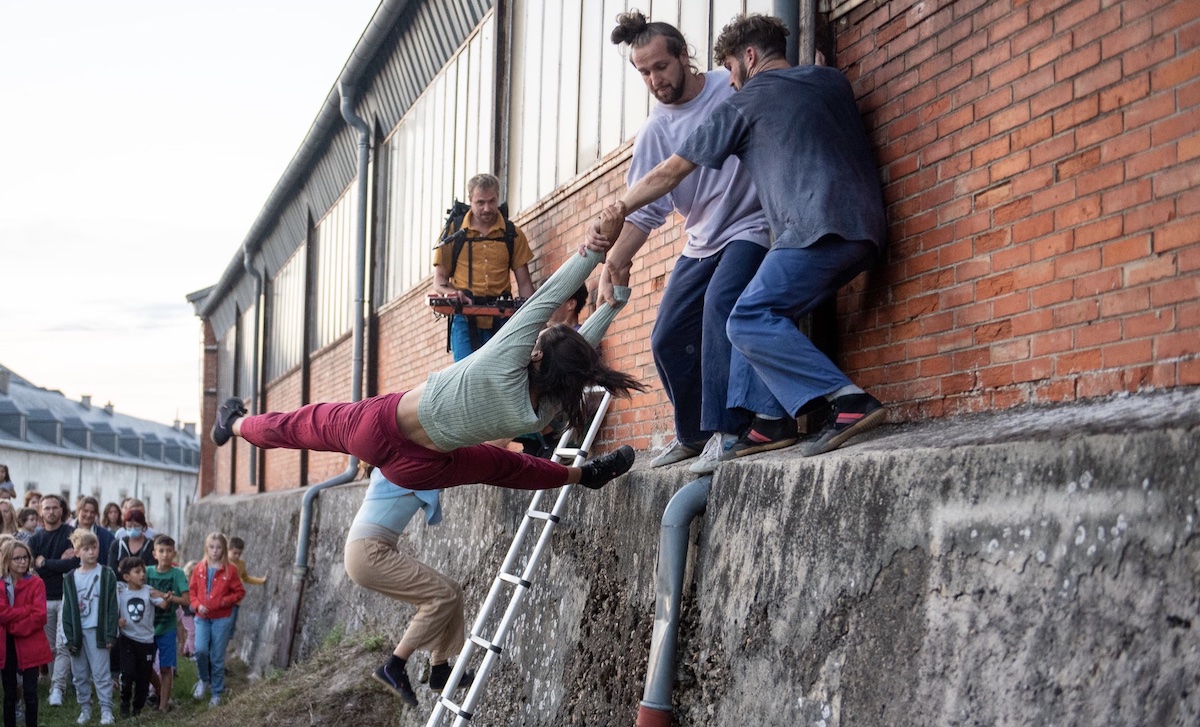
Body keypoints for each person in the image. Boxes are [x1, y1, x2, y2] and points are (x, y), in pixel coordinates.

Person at [591, 13, 888, 460]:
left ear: (748, 57)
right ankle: (765, 421)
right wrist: (617, 258)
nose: (730, 81)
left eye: (732, 69)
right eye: (643, 72)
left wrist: (616, 209)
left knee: (742, 315)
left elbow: (671, 172)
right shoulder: (830, 80)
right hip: (862, 228)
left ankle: (842, 403)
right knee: (717, 320)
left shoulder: (742, 101)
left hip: (799, 231)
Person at [211, 242, 641, 494]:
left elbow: (546, 298)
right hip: (419, 470)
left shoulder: (504, 363)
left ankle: (232, 425)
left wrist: (593, 249)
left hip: (377, 429)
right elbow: (576, 358)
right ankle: (584, 475)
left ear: (536, 355)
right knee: (504, 466)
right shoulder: (540, 410)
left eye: (541, 338)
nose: (538, 335)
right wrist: (613, 301)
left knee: (298, 426)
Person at [600, 11, 771, 474]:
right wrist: (616, 258)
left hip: (752, 226)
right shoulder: (656, 131)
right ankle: (693, 434)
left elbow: (775, 77)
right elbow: (649, 208)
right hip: (702, 239)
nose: (655, 80)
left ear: (683, 56)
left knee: (720, 307)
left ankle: (729, 431)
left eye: (661, 66)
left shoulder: (728, 84)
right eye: (643, 72)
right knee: (667, 336)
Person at [348, 469, 473, 706]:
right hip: (368, 551)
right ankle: (394, 666)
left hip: (369, 550)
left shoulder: (400, 468)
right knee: (440, 596)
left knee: (452, 590)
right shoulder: (401, 470)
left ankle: (440, 669)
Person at [432, 173, 536, 360]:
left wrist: (530, 319)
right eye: (480, 203)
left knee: (501, 375)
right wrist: (454, 294)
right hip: (464, 318)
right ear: (470, 200)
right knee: (463, 376)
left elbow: (525, 283)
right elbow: (439, 281)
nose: (487, 208)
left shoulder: (512, 234)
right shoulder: (454, 233)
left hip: (503, 318)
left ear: (498, 198)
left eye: (491, 201)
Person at [61, 529, 118, 726]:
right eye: (86, 549)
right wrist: (68, 636)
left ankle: (106, 710)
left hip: (98, 631)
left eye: (94, 548)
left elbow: (112, 605)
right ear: (77, 552)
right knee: (79, 674)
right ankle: (85, 708)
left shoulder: (106, 574)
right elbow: (67, 609)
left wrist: (111, 634)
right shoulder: (70, 578)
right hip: (78, 632)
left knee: (101, 674)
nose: (91, 552)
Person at [29, 495, 77, 706]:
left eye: (54, 508)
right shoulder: (35, 539)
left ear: (61, 510)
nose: (50, 512)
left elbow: (72, 564)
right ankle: (56, 681)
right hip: (44, 599)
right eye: (46, 508)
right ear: (40, 511)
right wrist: (56, 563)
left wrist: (46, 563)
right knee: (50, 648)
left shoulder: (70, 535)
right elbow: (33, 568)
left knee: (63, 644)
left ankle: (57, 688)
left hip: (66, 596)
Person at [0, 539, 53, 727]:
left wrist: (14, 626)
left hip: (30, 643)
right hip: (5, 646)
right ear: (7, 560)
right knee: (10, 693)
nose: (23, 562)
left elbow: (39, 616)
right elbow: (1, 612)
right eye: (17, 558)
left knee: (31, 693)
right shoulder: (0, 584)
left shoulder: (36, 583)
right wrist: (24, 611)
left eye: (25, 557)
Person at [188, 532, 244, 708]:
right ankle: (204, 679)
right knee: (201, 650)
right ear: (206, 548)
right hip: (202, 617)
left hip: (222, 618)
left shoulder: (231, 570)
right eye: (211, 547)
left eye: (218, 547)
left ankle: (217, 692)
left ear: (224, 549)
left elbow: (239, 592)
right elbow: (192, 591)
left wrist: (223, 601)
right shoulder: (199, 568)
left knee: (217, 657)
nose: (215, 551)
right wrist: (197, 605)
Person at [114, 557, 165, 717]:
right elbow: (111, 608)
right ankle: (124, 703)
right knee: (128, 673)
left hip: (146, 641)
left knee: (143, 677)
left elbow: (162, 604)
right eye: (137, 572)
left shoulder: (148, 591)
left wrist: (167, 598)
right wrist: (118, 621)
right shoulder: (120, 591)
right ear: (126, 576)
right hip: (127, 639)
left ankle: (137, 708)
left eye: (143, 571)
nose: (142, 574)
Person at [146, 536, 188, 713]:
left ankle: (163, 706)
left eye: (169, 551)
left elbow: (187, 600)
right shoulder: (146, 572)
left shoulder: (177, 574)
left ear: (174, 553)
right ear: (154, 554)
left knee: (165, 667)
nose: (165, 555)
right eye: (161, 551)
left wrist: (167, 596)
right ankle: (160, 692)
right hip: (146, 629)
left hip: (167, 628)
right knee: (146, 666)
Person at [225, 536, 264, 637]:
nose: (237, 556)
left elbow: (245, 578)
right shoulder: (223, 562)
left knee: (230, 630)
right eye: (235, 553)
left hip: (235, 601)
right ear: (228, 550)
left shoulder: (241, 564)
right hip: (222, 599)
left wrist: (261, 581)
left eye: (239, 553)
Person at [74, 497, 115, 564]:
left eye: (92, 512)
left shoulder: (106, 536)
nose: (88, 515)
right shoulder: (66, 533)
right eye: (85, 511)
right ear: (78, 511)